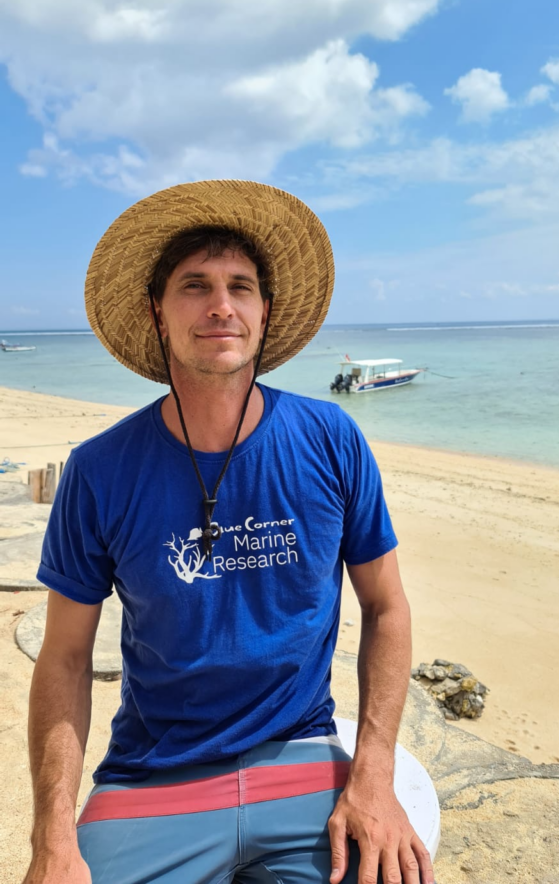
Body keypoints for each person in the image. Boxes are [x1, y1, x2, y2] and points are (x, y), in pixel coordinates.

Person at [24, 180, 435, 884]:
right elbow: (63, 657)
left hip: (301, 758)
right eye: (195, 286)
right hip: (153, 778)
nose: (220, 305)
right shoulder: (99, 471)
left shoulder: (331, 438)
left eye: (239, 287)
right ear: (158, 313)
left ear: (264, 312)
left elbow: (387, 606)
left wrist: (374, 773)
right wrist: (53, 838)